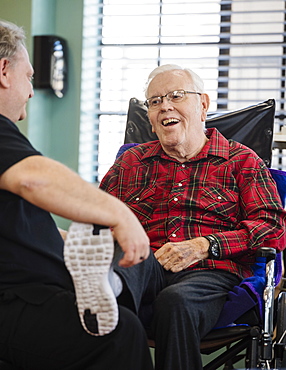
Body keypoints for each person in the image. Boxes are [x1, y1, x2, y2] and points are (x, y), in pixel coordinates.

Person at [99, 64, 286, 370]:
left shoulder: (241, 161)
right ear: (148, 116)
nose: (165, 106)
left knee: (176, 302)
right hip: (144, 265)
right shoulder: (131, 162)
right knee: (117, 276)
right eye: (155, 101)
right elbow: (98, 219)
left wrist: (204, 245)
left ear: (203, 104)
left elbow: (271, 229)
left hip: (209, 271)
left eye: (176, 95)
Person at [0, 19, 154, 370]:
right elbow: (34, 179)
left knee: (135, 284)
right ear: (4, 71)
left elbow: (12, 222)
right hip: (12, 299)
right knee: (118, 333)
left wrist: (62, 239)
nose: (29, 91)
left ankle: (111, 283)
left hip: (27, 288)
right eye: (29, 77)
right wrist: (120, 215)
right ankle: (113, 286)